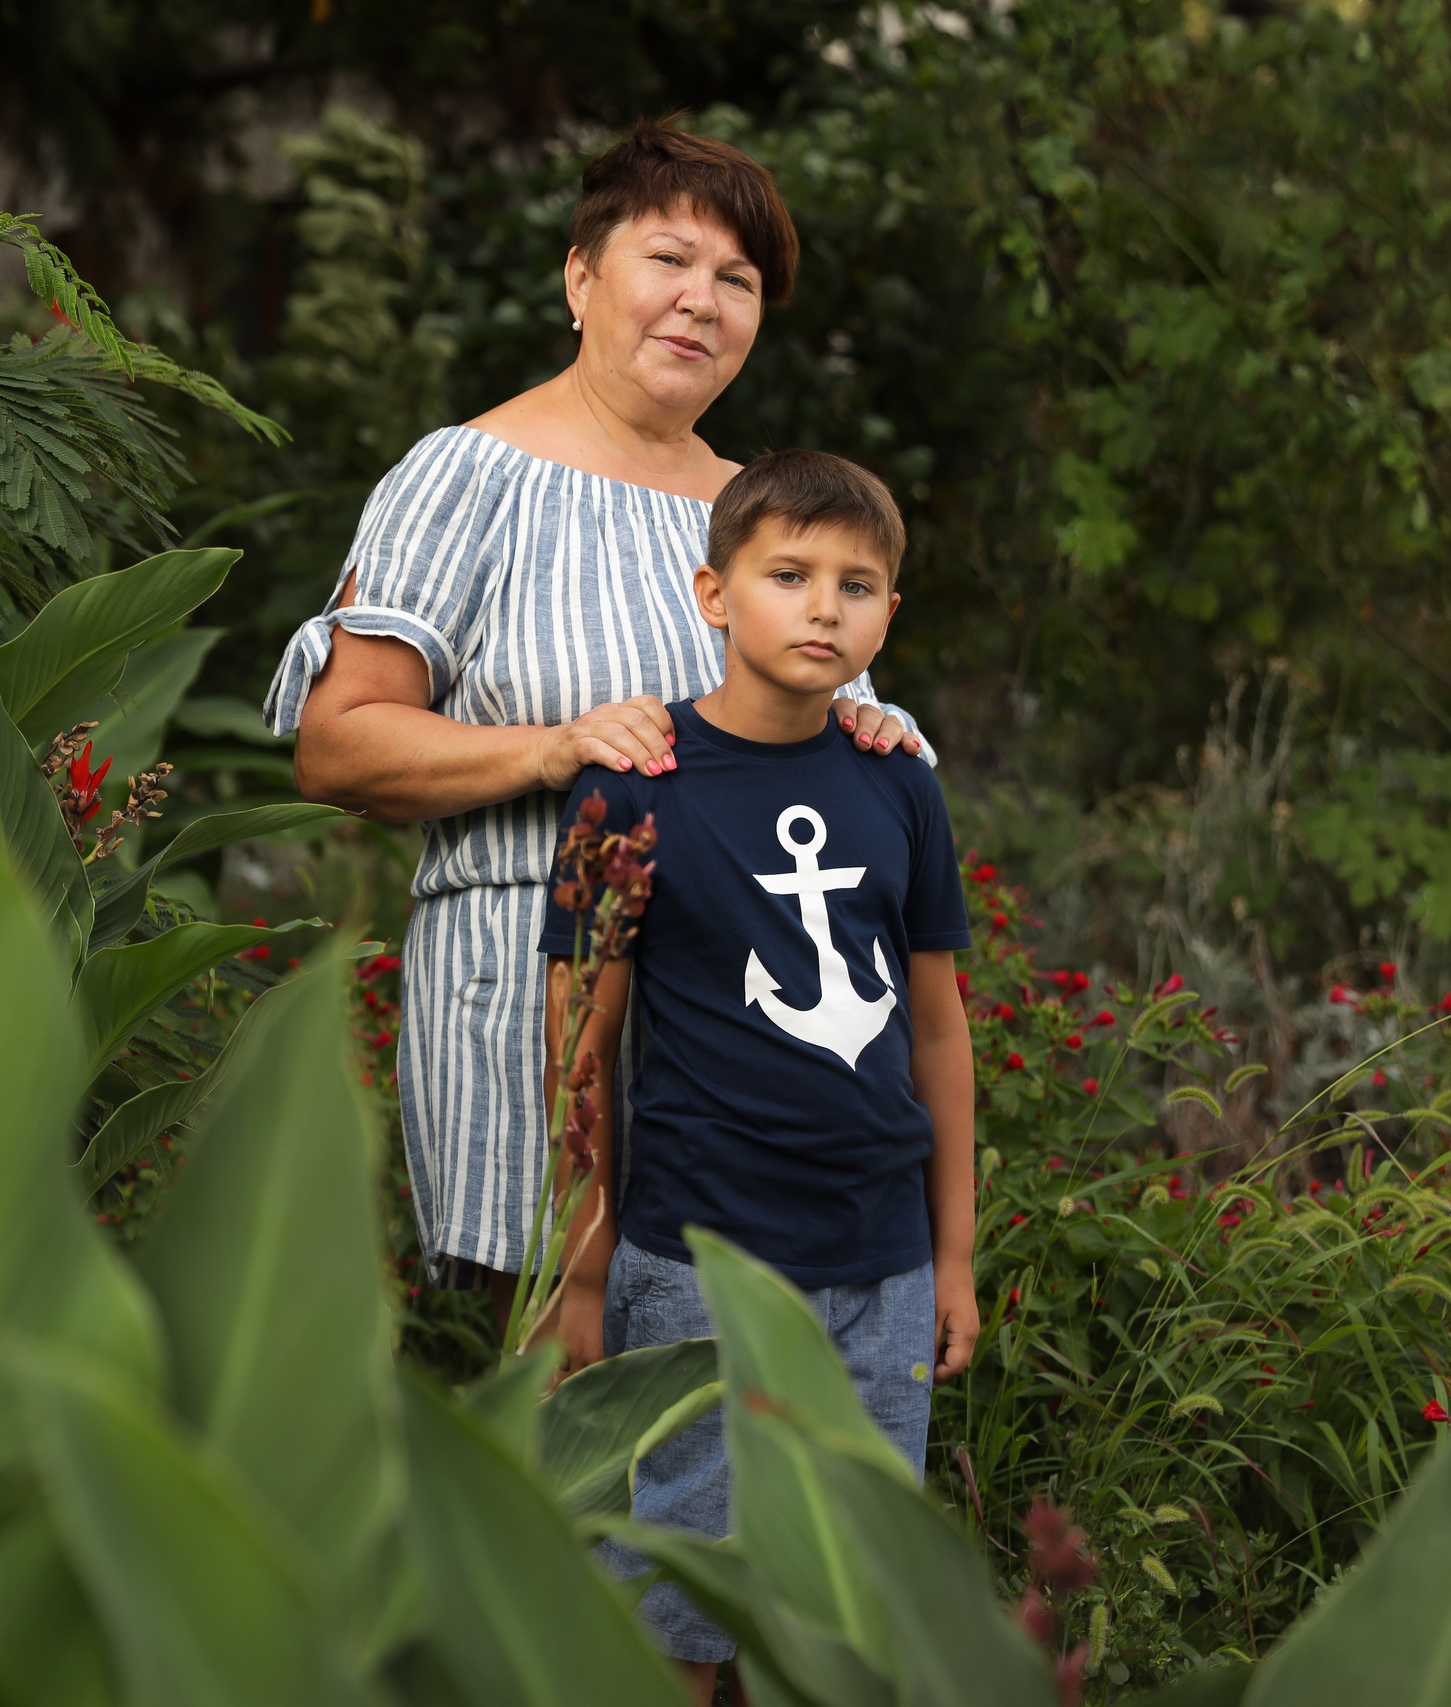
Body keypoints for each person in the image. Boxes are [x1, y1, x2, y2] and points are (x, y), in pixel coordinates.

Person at [268, 120, 931, 1302]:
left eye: (735, 280)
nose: (700, 302)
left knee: (729, 1443)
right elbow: (337, 743)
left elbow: (846, 728)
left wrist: (876, 734)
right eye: (668, 261)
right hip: (533, 1022)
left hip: (742, 1068)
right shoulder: (467, 473)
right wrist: (554, 748)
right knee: (563, 1431)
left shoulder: (760, 514)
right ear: (581, 280)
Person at [534, 449, 978, 1702]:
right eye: (788, 574)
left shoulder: (902, 784)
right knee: (674, 1593)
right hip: (699, 1264)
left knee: (847, 1604)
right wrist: (584, 1267)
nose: (824, 606)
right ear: (713, 591)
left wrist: (951, 1254)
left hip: (882, 1261)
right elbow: (578, 1039)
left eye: (859, 583)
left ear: (891, 612)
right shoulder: (625, 791)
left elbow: (937, 1031)